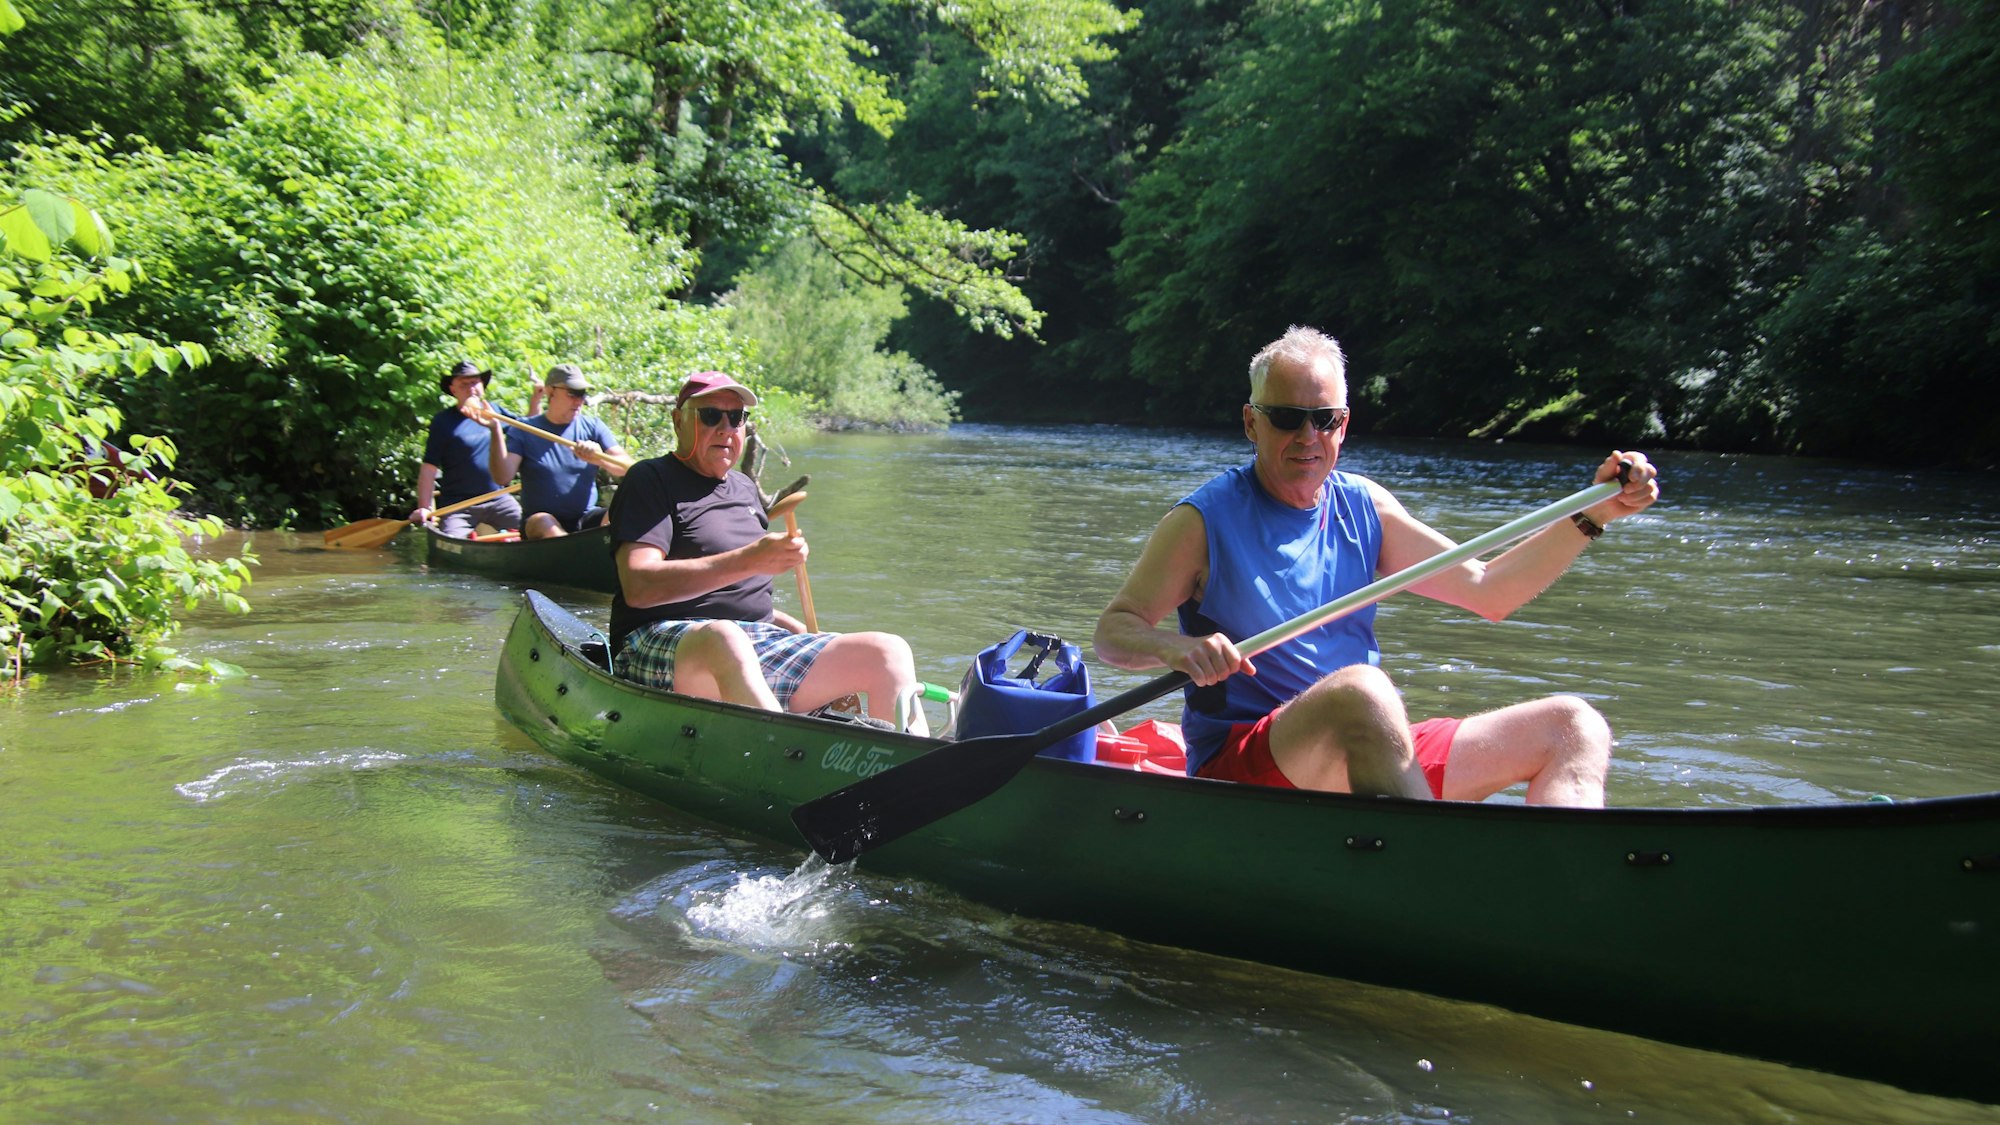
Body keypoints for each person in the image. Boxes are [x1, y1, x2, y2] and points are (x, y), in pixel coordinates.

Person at [1093, 326, 1660, 806]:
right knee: (1361, 691)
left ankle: (1568, 887)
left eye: (1326, 420)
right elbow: (1114, 633)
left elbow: (1493, 591)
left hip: (1366, 741)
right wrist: (1176, 648)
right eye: (1289, 417)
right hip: (1243, 764)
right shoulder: (1202, 521)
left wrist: (1595, 513)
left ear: (1344, 422)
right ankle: (1426, 869)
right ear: (1251, 423)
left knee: (1573, 724)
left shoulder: (1365, 506)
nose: (1309, 437)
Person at [605, 371, 930, 734]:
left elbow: (737, 597)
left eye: (737, 417)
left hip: (751, 642)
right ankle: (782, 753)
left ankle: (909, 769)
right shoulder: (649, 479)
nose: (727, 428)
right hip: (657, 641)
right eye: (711, 415)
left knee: (887, 651)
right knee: (726, 637)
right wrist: (749, 560)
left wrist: (789, 625)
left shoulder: (744, 489)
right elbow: (639, 586)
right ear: (678, 419)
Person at [479, 363, 629, 539]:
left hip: (586, 518)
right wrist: (495, 430)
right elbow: (502, 477)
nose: (579, 400)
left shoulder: (593, 427)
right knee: (543, 521)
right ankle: (571, 550)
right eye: (572, 393)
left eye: (582, 394)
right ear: (550, 392)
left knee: (623, 511)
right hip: (540, 523)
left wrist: (601, 459)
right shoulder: (524, 430)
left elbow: (629, 468)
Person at [411, 360, 523, 538]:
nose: (471, 388)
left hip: (498, 498)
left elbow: (526, 429)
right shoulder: (443, 421)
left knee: (531, 528)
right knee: (452, 541)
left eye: (475, 383)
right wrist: (424, 507)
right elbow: (429, 467)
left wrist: (536, 401)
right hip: (458, 505)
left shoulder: (494, 411)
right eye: (464, 384)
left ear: (482, 386)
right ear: (453, 390)